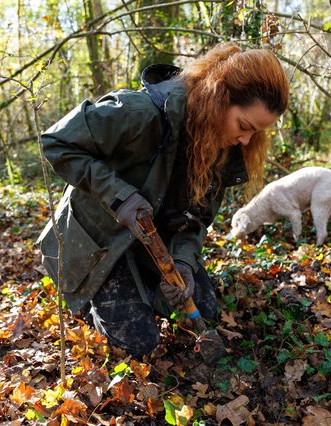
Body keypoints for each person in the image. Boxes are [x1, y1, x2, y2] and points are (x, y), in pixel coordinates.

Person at [37, 42, 290, 358]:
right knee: (138, 344)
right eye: (243, 126)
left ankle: (143, 286)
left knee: (206, 310)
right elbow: (55, 142)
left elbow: (197, 220)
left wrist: (183, 261)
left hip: (152, 244)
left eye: (256, 134)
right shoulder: (137, 113)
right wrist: (120, 197)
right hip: (96, 242)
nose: (245, 141)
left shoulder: (223, 150)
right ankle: (88, 295)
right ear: (218, 97)